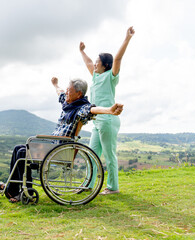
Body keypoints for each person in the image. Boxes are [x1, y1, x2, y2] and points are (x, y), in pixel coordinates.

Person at [0, 77, 124, 203]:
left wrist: (110, 110)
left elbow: (92, 110)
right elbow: (60, 93)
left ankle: (25, 192)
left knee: (22, 153)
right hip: (52, 146)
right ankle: (12, 189)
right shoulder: (68, 103)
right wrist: (55, 84)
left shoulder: (81, 108)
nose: (66, 93)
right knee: (18, 148)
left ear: (78, 94)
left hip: (58, 148)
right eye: (67, 90)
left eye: (69, 91)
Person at [79, 26, 135, 195]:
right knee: (92, 155)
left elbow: (117, 59)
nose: (94, 63)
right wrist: (82, 51)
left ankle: (113, 187)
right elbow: (88, 63)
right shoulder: (96, 76)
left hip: (109, 119)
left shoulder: (111, 77)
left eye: (98, 62)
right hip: (97, 121)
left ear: (106, 65)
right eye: (95, 62)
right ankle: (88, 185)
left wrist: (127, 38)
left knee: (109, 156)